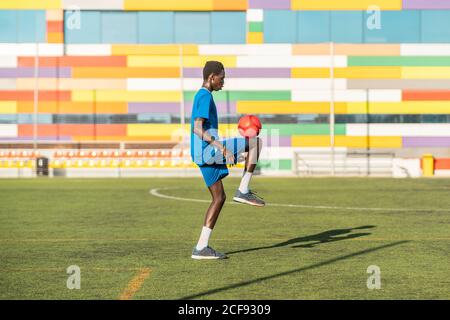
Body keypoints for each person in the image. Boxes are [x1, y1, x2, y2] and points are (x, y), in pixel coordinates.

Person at [190, 61, 264, 260]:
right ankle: (243, 190)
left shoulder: (202, 95)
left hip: (201, 154)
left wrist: (231, 154)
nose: (223, 83)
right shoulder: (204, 96)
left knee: (219, 198)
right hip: (207, 151)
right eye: (221, 79)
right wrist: (222, 148)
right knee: (256, 143)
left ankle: (201, 248)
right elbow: (198, 129)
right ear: (211, 77)